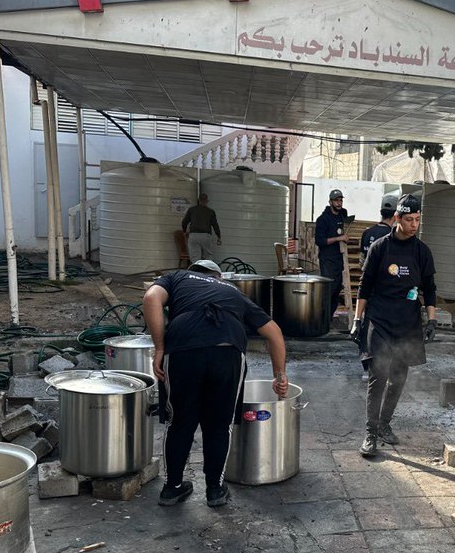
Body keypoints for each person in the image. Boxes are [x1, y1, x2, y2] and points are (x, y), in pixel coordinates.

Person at [143, 259, 289, 509]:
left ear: (193, 272)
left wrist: (159, 347)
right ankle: (214, 490)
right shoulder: (233, 291)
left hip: (183, 351)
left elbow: (150, 298)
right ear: (218, 277)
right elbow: (274, 332)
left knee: (179, 421)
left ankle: (172, 489)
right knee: (219, 424)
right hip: (227, 352)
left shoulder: (177, 277)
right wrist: (280, 376)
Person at [351, 194, 437, 458]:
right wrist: (357, 319)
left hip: (407, 324)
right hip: (379, 319)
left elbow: (430, 289)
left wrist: (432, 320)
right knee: (378, 376)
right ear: (397, 218)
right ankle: (370, 433)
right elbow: (364, 286)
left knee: (399, 378)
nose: (414, 225)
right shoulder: (380, 248)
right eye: (409, 219)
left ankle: (384, 424)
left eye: (417, 219)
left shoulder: (422, 252)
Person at [314, 189, 351, 319]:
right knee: (328, 290)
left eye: (340, 200)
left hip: (339, 258)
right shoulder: (323, 219)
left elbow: (346, 226)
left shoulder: (343, 215)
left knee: (336, 290)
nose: (339, 203)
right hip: (327, 259)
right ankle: (322, 318)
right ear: (330, 202)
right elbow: (319, 241)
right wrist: (338, 238)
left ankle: (328, 318)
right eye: (336, 200)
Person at [181, 193, 221, 263]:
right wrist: (219, 236)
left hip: (194, 235)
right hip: (206, 235)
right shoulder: (210, 211)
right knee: (208, 256)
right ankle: (207, 269)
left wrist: (184, 231)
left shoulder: (191, 210)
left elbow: (184, 222)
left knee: (195, 257)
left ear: (198, 200)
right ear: (207, 201)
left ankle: (196, 269)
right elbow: (215, 225)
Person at [360, 197, 397, 265]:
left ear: (381, 212)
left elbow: (362, 261)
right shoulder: (392, 236)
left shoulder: (366, 232)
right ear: (396, 215)